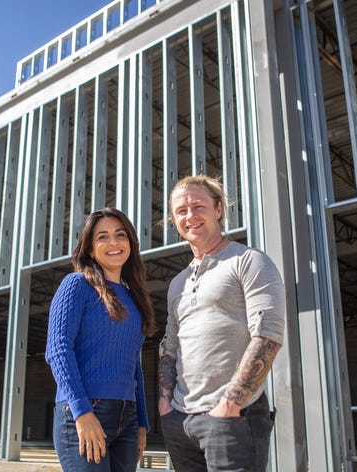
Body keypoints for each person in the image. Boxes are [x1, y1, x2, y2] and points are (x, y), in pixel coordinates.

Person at [158, 175, 285, 472]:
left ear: (217, 210)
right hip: (180, 419)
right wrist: (166, 405)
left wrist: (229, 405)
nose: (190, 216)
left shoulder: (248, 261)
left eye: (198, 206)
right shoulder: (177, 283)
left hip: (232, 418)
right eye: (181, 211)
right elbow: (170, 345)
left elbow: (268, 336)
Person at [46, 208, 156, 471]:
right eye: (102, 237)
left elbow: (134, 366)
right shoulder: (76, 285)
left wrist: (141, 422)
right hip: (83, 411)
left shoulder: (134, 297)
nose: (113, 243)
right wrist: (82, 412)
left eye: (120, 235)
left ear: (130, 242)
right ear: (90, 248)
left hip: (127, 419)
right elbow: (58, 349)